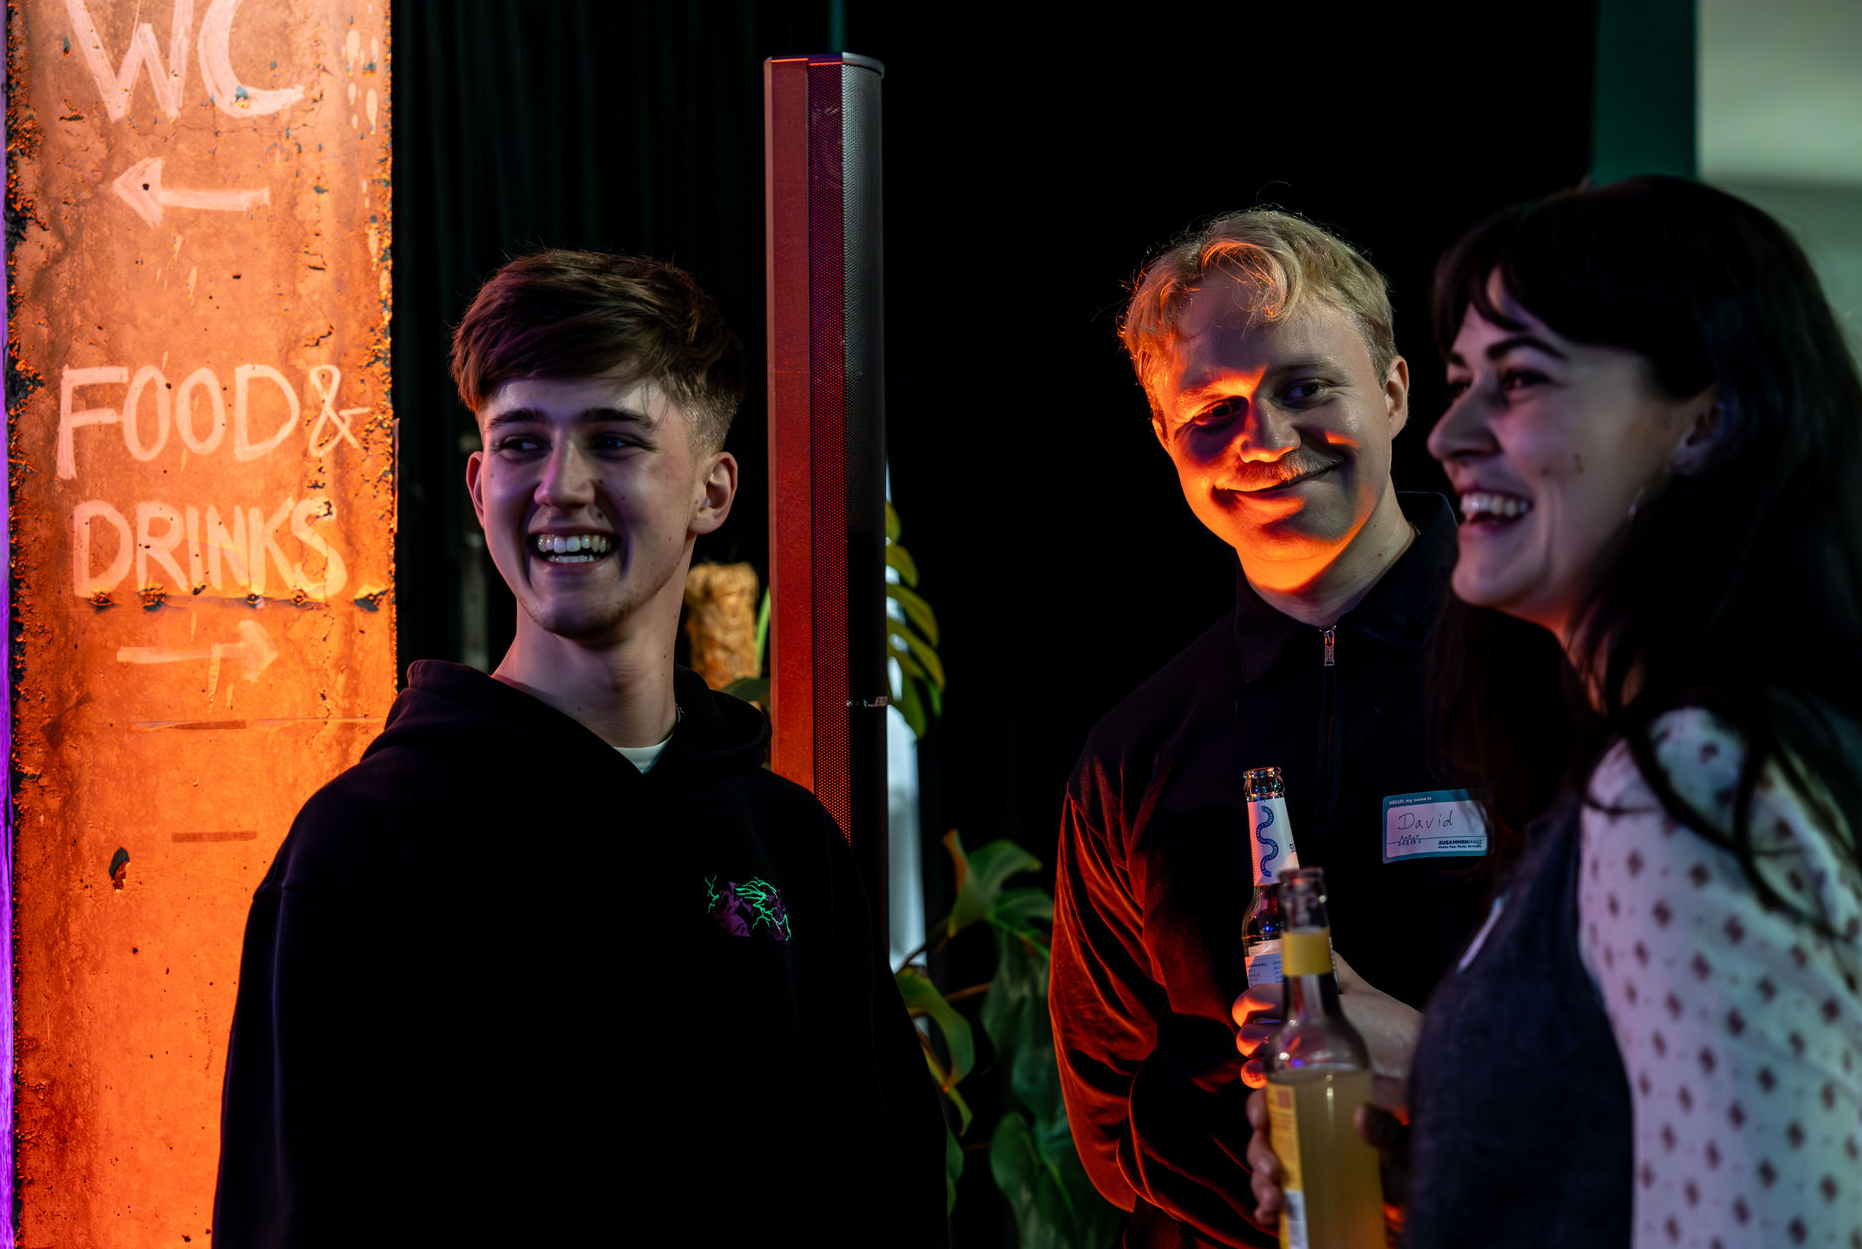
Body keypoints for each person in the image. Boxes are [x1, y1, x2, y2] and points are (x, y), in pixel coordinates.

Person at [212, 250, 947, 1246]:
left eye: (614, 440)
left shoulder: (791, 848)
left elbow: (886, 1197)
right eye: (521, 443)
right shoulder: (364, 843)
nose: (561, 486)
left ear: (713, 489)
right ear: (478, 485)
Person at [1245, 176, 1862, 1246]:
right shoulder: (1682, 751)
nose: (1451, 433)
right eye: (1461, 378)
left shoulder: (1683, 778)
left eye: (1521, 378)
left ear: (1707, 417)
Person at [1050, 209, 1493, 1248]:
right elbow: (1112, 1122)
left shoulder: (1545, 671)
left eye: (1305, 387)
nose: (1265, 439)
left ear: (1392, 392)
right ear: (1165, 438)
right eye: (1212, 409)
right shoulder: (1136, 751)